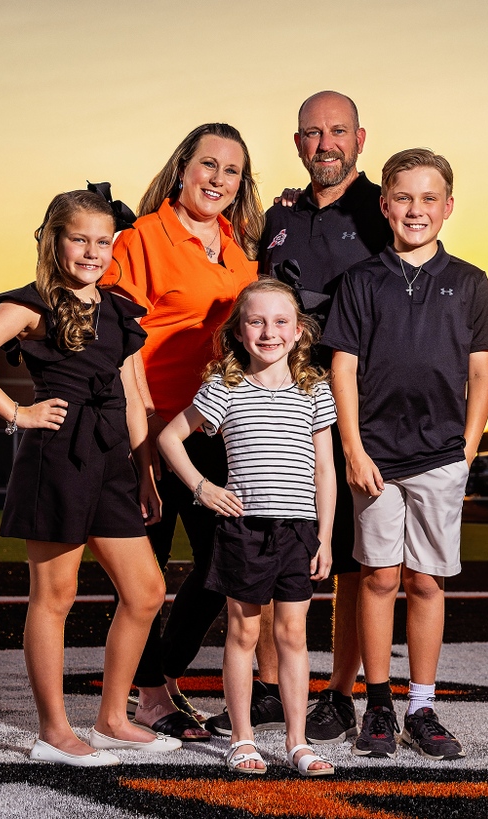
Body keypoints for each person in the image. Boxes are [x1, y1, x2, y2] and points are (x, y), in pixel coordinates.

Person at [0, 189, 181, 766]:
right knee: (56, 595)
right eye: (80, 239)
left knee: (146, 590)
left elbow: (130, 397)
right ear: (54, 240)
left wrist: (145, 471)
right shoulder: (32, 306)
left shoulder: (121, 311)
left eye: (103, 241)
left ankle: (111, 718)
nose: (92, 251)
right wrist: (19, 415)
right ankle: (53, 732)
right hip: (58, 457)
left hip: (113, 463)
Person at [206, 90, 390, 743]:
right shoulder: (280, 216)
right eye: (312, 134)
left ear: (360, 138)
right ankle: (263, 690)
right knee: (267, 542)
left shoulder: (382, 211)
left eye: (337, 131)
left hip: (357, 404)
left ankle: (338, 694)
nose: (325, 145)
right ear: (297, 143)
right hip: (277, 402)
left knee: (344, 559)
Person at [322, 149, 488, 760]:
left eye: (430, 198)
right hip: (374, 456)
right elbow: (342, 368)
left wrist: (468, 450)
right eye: (404, 198)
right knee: (377, 578)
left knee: (426, 582)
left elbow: (482, 375)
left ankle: (421, 705)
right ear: (385, 204)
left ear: (449, 206)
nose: (416, 210)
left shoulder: (471, 282)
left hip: (440, 456)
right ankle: (377, 704)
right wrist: (350, 445)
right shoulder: (361, 281)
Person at [99, 123, 264, 742]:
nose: (219, 179)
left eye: (232, 170)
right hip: (147, 421)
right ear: (182, 169)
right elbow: (119, 343)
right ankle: (148, 698)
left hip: (213, 426)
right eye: (208, 164)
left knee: (228, 558)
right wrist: (141, 437)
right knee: (147, 571)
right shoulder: (143, 237)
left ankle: (157, 678)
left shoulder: (238, 249)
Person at [157, 279, 336, 776]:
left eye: (281, 322)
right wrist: (201, 487)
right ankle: (242, 740)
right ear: (238, 331)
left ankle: (298, 743)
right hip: (244, 530)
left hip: (299, 531)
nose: (268, 331)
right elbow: (170, 437)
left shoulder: (313, 389)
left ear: (299, 332)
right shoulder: (224, 388)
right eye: (255, 321)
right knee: (242, 632)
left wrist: (323, 535)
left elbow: (325, 470)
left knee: (294, 635)